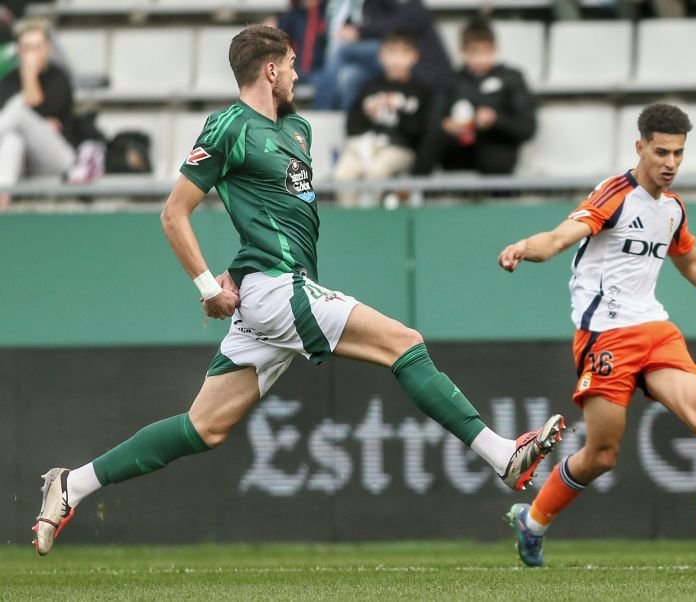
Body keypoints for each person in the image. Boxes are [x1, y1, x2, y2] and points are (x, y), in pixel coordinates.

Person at [32, 24, 566, 556]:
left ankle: (71, 483)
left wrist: (236, 273)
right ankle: (502, 455)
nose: (295, 73)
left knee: (203, 428)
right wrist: (206, 286)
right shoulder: (228, 127)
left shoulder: (298, 131)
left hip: (271, 287)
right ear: (270, 69)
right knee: (404, 342)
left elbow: (271, 223)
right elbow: (174, 214)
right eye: (289, 64)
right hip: (274, 292)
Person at [498, 103, 696, 568]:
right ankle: (532, 522)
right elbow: (558, 239)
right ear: (640, 147)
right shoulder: (614, 194)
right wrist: (522, 248)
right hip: (605, 334)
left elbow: (691, 262)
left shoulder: (672, 210)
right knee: (602, 455)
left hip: (654, 327)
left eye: (679, 154)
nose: (670, 163)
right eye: (662, 152)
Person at [413, 18, 535, 176]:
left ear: (495, 49)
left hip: (496, 148)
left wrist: (495, 119)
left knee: (496, 158)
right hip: (458, 151)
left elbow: (527, 128)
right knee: (434, 136)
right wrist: (448, 125)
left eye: (485, 51)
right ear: (463, 51)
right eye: (474, 52)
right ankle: (413, 193)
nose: (480, 58)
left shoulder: (512, 78)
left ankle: (500, 199)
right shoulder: (450, 80)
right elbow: (433, 120)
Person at [333, 31, 430, 208]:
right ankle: (349, 223)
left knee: (376, 171)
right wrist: (367, 113)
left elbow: (420, 132)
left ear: (414, 57)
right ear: (381, 56)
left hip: (398, 148)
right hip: (363, 146)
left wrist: (399, 110)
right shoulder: (370, 85)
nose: (397, 60)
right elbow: (350, 125)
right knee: (342, 175)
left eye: (403, 53)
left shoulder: (421, 90)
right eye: (391, 52)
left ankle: (371, 224)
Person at [312, 0, 450, 112]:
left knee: (342, 50)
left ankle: (319, 114)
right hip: (384, 65)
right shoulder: (365, 5)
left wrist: (359, 31)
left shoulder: (411, 6)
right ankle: (347, 127)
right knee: (349, 75)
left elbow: (400, 24)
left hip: (420, 68)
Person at [0, 17, 75, 209]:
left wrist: (29, 73)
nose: (32, 54)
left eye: (37, 47)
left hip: (59, 159)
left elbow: (36, 105)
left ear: (48, 47)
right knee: (12, 141)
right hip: (21, 162)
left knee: (17, 113)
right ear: (18, 50)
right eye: (27, 48)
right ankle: (2, 204)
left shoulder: (59, 77)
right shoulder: (8, 81)